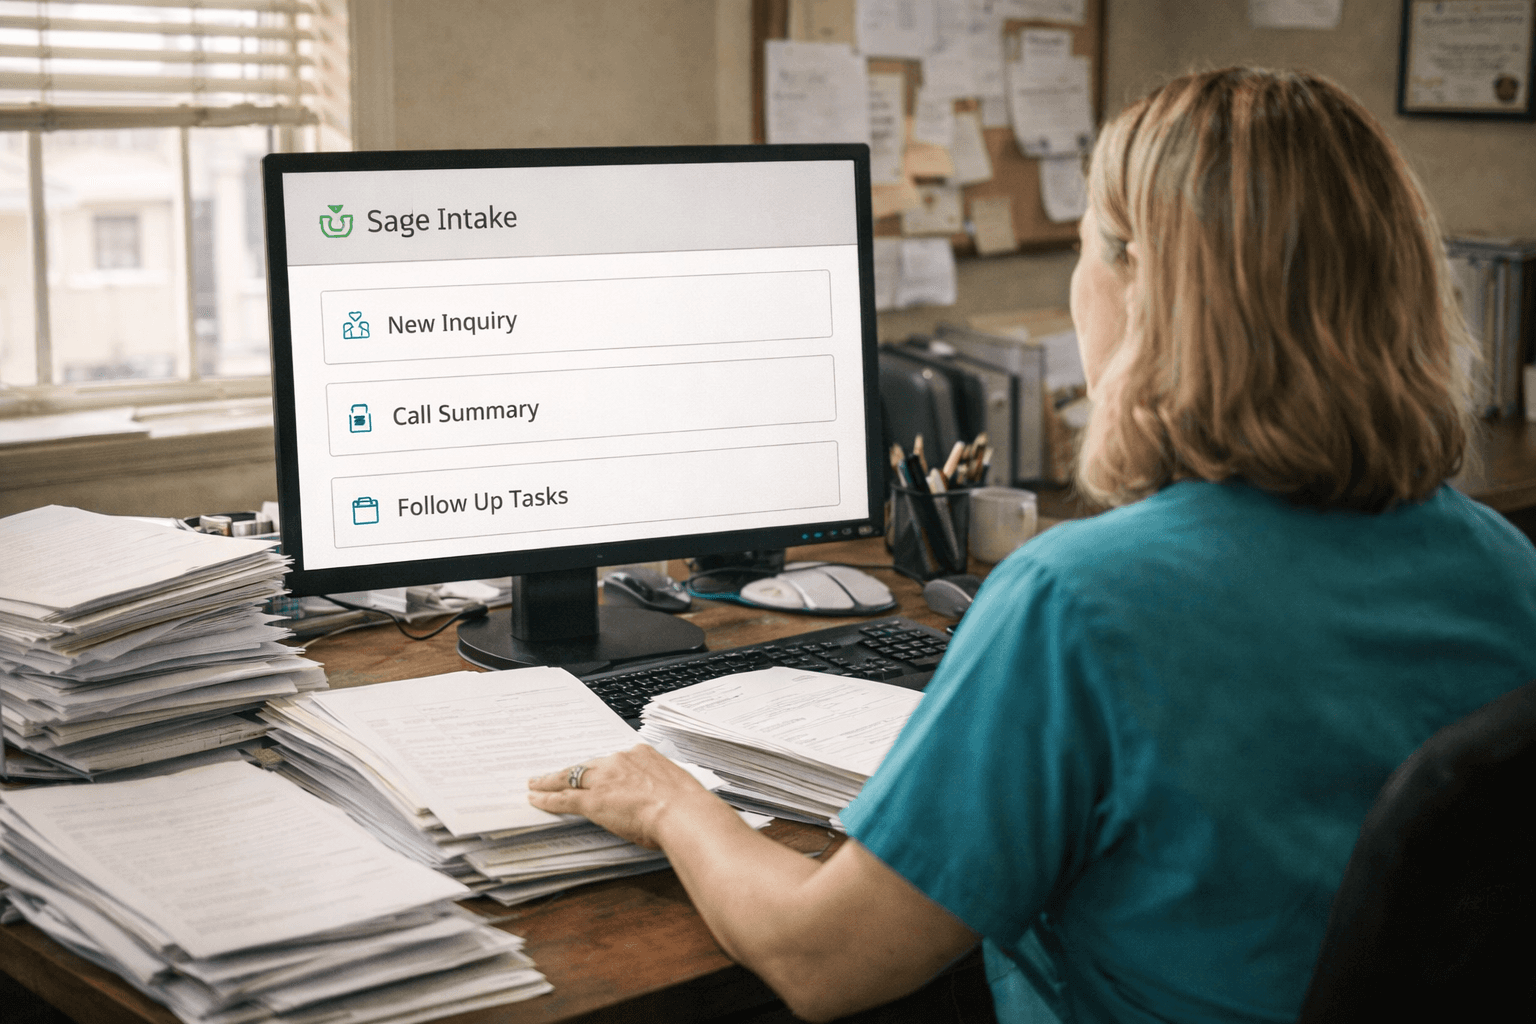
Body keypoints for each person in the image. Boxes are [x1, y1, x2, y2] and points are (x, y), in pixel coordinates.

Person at [529, 68, 1536, 1023]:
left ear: (1141, 287)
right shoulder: (1507, 567)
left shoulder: (1079, 602)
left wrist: (669, 802)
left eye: (1087, 247)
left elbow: (821, 961)